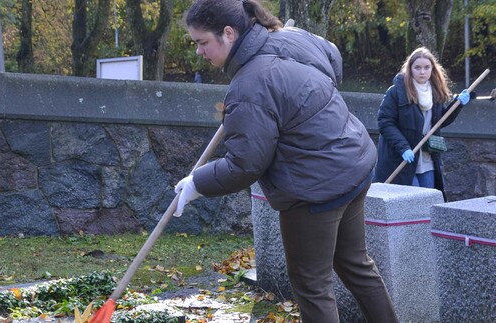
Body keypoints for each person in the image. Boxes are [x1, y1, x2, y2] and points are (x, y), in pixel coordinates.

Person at [174, 0, 399, 321]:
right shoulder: (286, 36)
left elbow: (245, 166)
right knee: (356, 265)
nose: (199, 52)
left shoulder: (249, 86)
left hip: (314, 191)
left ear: (228, 33)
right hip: (353, 162)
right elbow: (332, 58)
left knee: (312, 285)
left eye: (202, 43)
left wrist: (197, 182)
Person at [373, 47, 470, 197]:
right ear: (410, 69)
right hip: (402, 159)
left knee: (429, 201)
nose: (422, 72)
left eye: (426, 67)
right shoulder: (396, 92)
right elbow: (385, 123)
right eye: (417, 67)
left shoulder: (436, 92)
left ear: (432, 69)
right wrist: (403, 148)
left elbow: (440, 121)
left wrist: (457, 105)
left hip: (426, 159)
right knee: (411, 202)